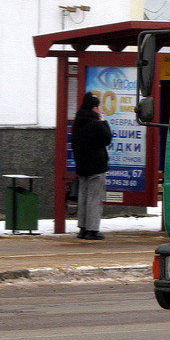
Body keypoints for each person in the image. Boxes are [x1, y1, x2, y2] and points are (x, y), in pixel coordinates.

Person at [71, 92, 112, 240]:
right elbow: (107, 138)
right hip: (96, 165)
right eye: (99, 106)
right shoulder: (95, 123)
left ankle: (82, 228)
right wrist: (104, 121)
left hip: (82, 165)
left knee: (83, 197)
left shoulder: (78, 121)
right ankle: (92, 230)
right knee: (94, 198)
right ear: (94, 108)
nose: (100, 109)